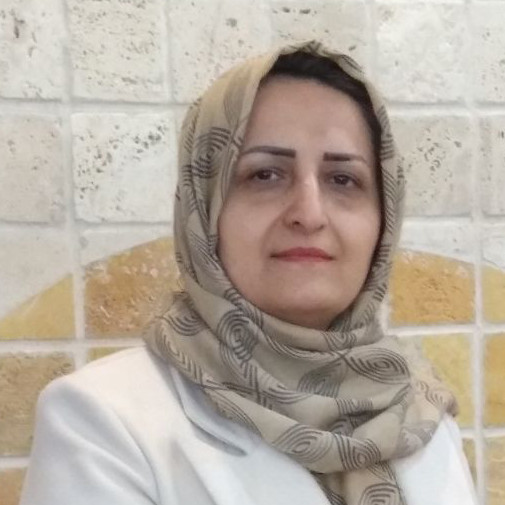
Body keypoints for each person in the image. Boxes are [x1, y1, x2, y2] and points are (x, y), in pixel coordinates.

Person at [20, 41, 477, 505]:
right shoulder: (103, 421)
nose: (309, 214)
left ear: (384, 218)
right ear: (204, 208)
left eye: (343, 180)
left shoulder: (418, 412)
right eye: (265, 175)